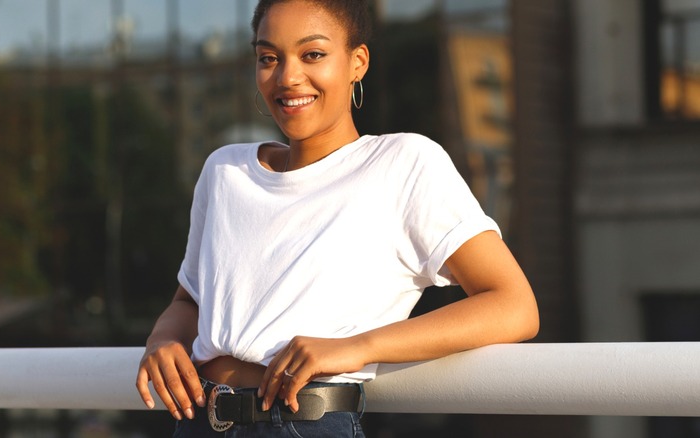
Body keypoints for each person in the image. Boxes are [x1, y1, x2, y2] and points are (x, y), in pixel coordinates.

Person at [136, 0, 539, 436]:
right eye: (268, 58)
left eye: (312, 55)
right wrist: (162, 341)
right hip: (198, 418)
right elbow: (190, 302)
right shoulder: (225, 171)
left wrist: (358, 348)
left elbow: (514, 306)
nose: (288, 77)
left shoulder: (404, 163)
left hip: (304, 422)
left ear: (357, 62)